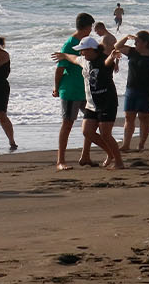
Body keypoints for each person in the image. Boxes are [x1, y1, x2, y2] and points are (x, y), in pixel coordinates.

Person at [51, 38, 125, 170]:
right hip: (91, 104)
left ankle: (119, 162)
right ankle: (110, 154)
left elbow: (107, 63)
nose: (81, 53)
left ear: (92, 49)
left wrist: (112, 56)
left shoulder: (103, 60)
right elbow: (73, 58)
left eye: (83, 50)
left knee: (105, 134)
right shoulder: (84, 60)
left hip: (107, 102)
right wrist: (64, 55)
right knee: (87, 131)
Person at [53, 13, 94, 170]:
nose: (91, 30)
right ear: (86, 27)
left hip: (85, 91)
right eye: (90, 27)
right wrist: (56, 88)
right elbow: (60, 69)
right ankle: (60, 161)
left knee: (92, 123)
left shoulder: (85, 43)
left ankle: (85, 155)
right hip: (70, 90)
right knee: (67, 124)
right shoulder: (70, 44)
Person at [115, 30, 149, 152]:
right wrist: (126, 37)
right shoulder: (132, 52)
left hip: (147, 91)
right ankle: (126, 144)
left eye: (137, 42)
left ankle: (141, 144)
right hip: (131, 89)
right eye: (135, 41)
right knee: (128, 117)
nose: (135, 44)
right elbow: (117, 46)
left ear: (145, 43)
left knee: (143, 117)